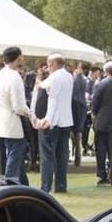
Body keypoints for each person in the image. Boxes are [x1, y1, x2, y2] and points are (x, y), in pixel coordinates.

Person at [0, 46, 39, 186]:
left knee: (11, 156)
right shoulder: (14, 76)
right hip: (11, 122)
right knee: (16, 153)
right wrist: (31, 114)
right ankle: (11, 182)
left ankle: (23, 185)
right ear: (18, 58)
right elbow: (18, 106)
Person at [35, 53, 73, 193]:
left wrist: (48, 119)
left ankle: (46, 186)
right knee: (62, 155)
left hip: (54, 122)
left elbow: (53, 99)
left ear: (52, 64)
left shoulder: (55, 78)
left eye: (49, 64)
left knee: (47, 156)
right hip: (66, 121)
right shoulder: (68, 76)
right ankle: (61, 185)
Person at [70, 63, 87, 167]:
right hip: (79, 108)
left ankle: (77, 158)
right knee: (77, 136)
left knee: (76, 135)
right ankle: (77, 158)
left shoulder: (79, 79)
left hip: (76, 108)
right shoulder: (81, 79)